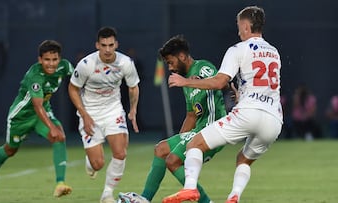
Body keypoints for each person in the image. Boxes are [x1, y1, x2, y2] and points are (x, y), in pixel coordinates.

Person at [163, 6, 283, 203]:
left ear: (245, 26)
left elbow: (219, 81)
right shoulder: (274, 52)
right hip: (273, 119)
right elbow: (261, 81)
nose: (238, 31)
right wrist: (240, 92)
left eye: (239, 26)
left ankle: (190, 188)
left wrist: (185, 82)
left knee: (195, 144)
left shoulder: (238, 49)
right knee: (243, 159)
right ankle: (234, 196)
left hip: (248, 113)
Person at [118, 35, 231, 203]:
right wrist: (179, 144)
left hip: (213, 129)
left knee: (173, 161)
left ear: (182, 56)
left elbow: (218, 83)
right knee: (161, 149)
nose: (170, 68)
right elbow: (191, 116)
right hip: (198, 130)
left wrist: (187, 82)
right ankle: (145, 199)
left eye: (171, 62)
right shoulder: (187, 82)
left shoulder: (202, 67)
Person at [0, 40, 73, 197]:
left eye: (54, 59)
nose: (51, 64)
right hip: (21, 117)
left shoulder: (64, 66)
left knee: (59, 137)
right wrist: (51, 127)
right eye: (46, 60)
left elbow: (80, 77)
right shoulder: (35, 76)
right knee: (10, 150)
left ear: (59, 59)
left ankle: (60, 183)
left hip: (43, 112)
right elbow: (37, 106)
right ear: (40, 60)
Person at [68, 26, 140, 203]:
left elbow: (133, 87)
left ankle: (107, 194)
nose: (107, 49)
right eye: (103, 45)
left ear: (116, 44)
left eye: (110, 45)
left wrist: (133, 109)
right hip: (90, 113)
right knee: (97, 164)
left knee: (121, 153)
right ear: (97, 45)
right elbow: (73, 89)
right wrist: (84, 115)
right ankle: (90, 162)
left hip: (113, 110)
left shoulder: (125, 63)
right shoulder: (86, 65)